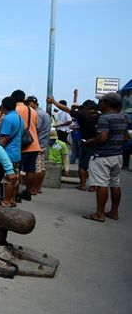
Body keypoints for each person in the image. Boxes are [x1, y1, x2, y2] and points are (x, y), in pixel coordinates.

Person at [82, 92, 128, 222]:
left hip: (103, 155)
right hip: (118, 155)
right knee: (115, 183)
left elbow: (102, 138)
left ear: (107, 103)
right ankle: (114, 211)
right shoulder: (123, 117)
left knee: (101, 184)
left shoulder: (104, 118)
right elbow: (125, 138)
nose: (99, 104)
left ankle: (99, 213)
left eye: (101, 101)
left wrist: (90, 141)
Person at [47, 96, 99, 191]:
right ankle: (93, 185)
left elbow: (66, 109)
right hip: (99, 143)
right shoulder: (100, 116)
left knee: (83, 166)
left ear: (87, 108)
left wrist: (53, 101)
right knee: (94, 166)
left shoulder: (83, 115)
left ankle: (83, 184)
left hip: (86, 143)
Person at [12, 90, 41, 201]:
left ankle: (16, 194)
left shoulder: (15, 110)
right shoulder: (33, 111)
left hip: (21, 145)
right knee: (30, 170)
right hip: (34, 143)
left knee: (17, 170)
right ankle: (28, 192)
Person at [0, 96, 22, 207]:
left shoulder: (7, 119)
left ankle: (6, 200)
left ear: (4, 107)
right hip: (17, 152)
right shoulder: (19, 118)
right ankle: (12, 199)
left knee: (8, 178)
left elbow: (4, 139)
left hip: (8, 153)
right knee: (14, 176)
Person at [27, 95, 52, 194]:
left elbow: (36, 129)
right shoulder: (44, 113)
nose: (28, 106)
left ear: (34, 103)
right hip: (43, 143)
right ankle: (38, 187)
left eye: (29, 104)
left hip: (38, 144)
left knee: (37, 168)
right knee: (41, 167)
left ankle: (34, 188)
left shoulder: (38, 114)